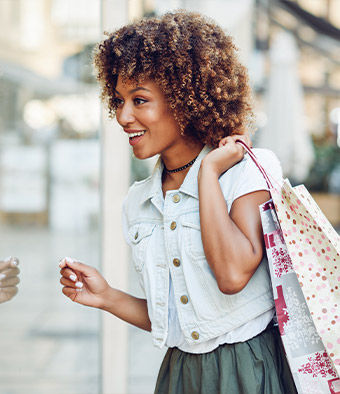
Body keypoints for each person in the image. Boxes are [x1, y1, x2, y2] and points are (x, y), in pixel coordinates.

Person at [59, 10, 297, 393]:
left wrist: (206, 175)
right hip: (179, 375)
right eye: (118, 101)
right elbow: (178, 319)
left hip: (249, 371)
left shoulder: (246, 171)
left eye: (140, 100)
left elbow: (233, 274)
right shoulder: (139, 202)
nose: (123, 116)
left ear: (186, 100)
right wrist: (106, 297)